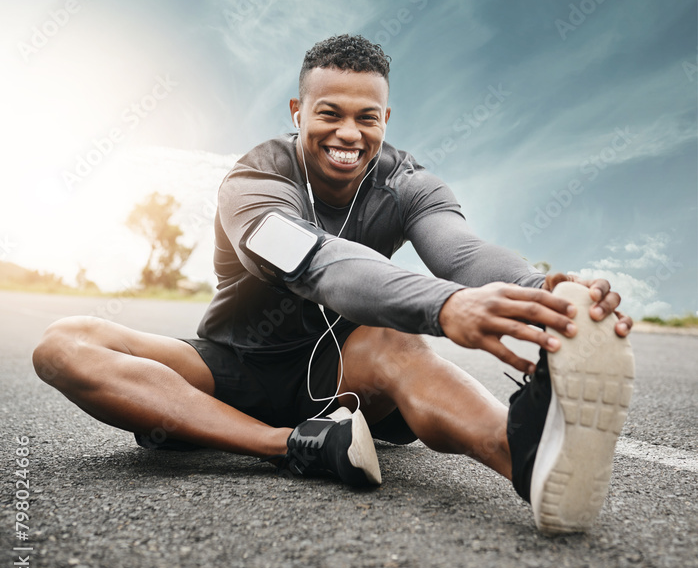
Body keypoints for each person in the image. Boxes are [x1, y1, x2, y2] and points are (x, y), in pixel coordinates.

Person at [33, 34, 634, 535]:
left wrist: (545, 292)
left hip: (342, 372)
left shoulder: (409, 182)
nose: (349, 133)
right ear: (299, 112)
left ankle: (528, 461)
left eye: (366, 117)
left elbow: (461, 251)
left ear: (385, 120)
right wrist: (445, 304)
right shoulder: (254, 181)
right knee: (64, 344)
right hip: (230, 367)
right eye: (330, 113)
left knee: (396, 343)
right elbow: (314, 262)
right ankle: (291, 443)